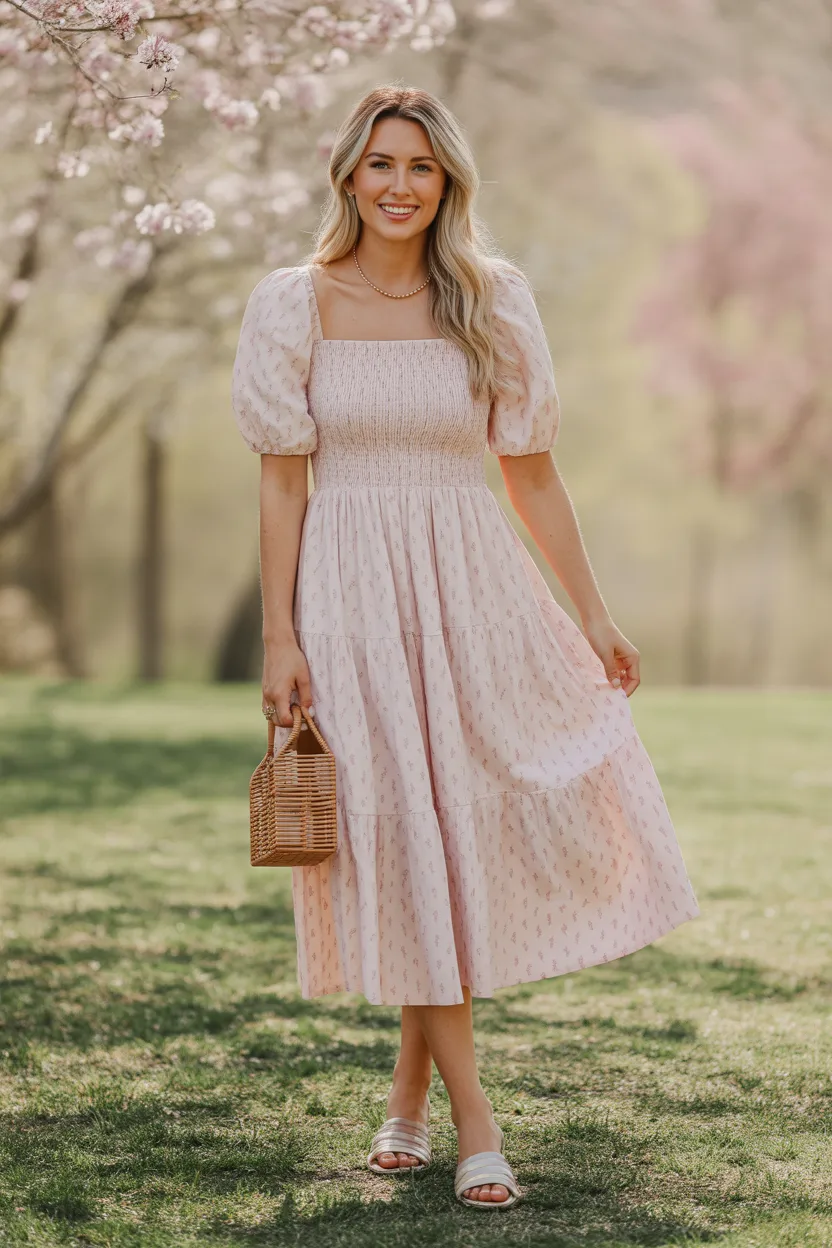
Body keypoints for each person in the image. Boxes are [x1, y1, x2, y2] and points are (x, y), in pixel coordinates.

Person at [230, 83, 699, 1210]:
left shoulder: (491, 299)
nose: (400, 186)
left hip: (470, 585)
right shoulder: (294, 302)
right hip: (347, 593)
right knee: (393, 829)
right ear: (349, 175)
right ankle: (474, 1121)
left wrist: (591, 611)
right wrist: (278, 634)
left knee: (448, 835)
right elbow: (282, 482)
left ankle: (405, 1106)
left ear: (449, 183)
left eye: (421, 169)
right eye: (381, 165)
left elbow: (528, 468)